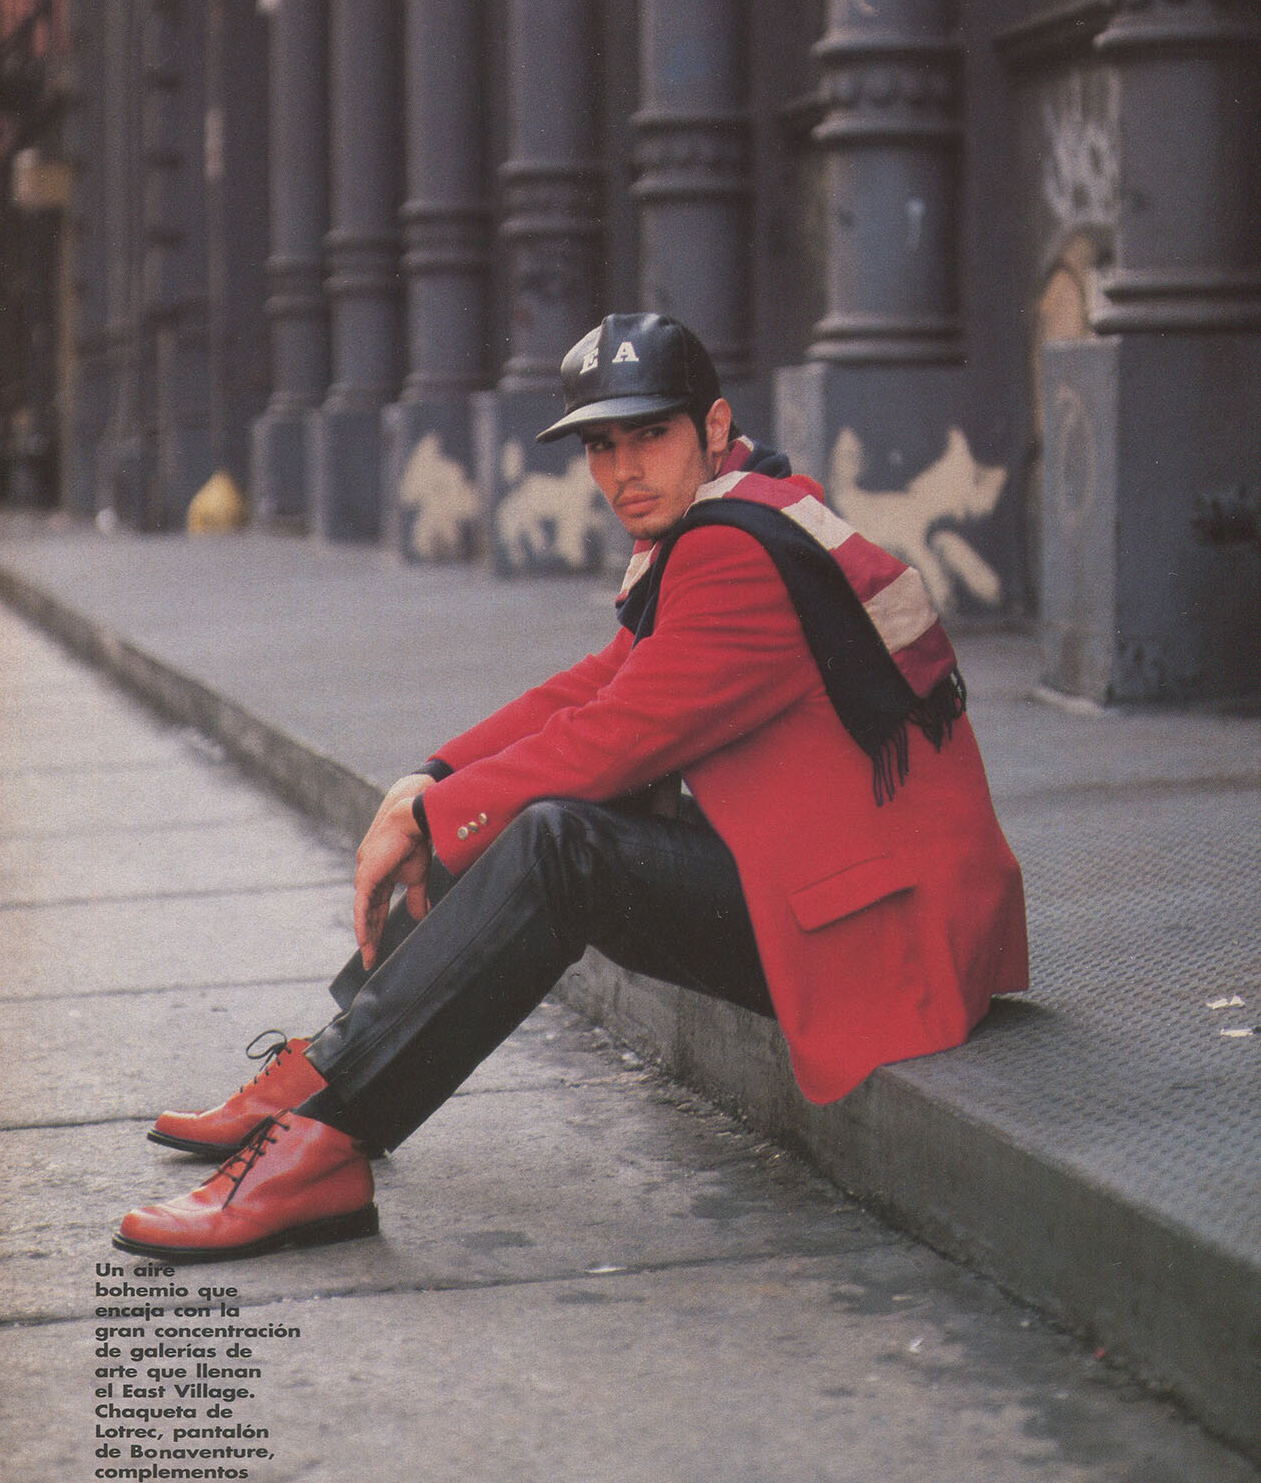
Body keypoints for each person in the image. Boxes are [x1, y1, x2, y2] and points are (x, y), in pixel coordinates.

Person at [115, 312, 1028, 1263]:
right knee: (503, 806)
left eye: (650, 434)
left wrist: (434, 812)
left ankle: (321, 1141)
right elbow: (602, 683)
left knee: (554, 840)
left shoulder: (735, 551)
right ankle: (326, 1072)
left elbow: (613, 736)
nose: (623, 470)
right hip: (870, 890)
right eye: (601, 445)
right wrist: (432, 777)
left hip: (892, 938)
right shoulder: (737, 508)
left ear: (714, 426)